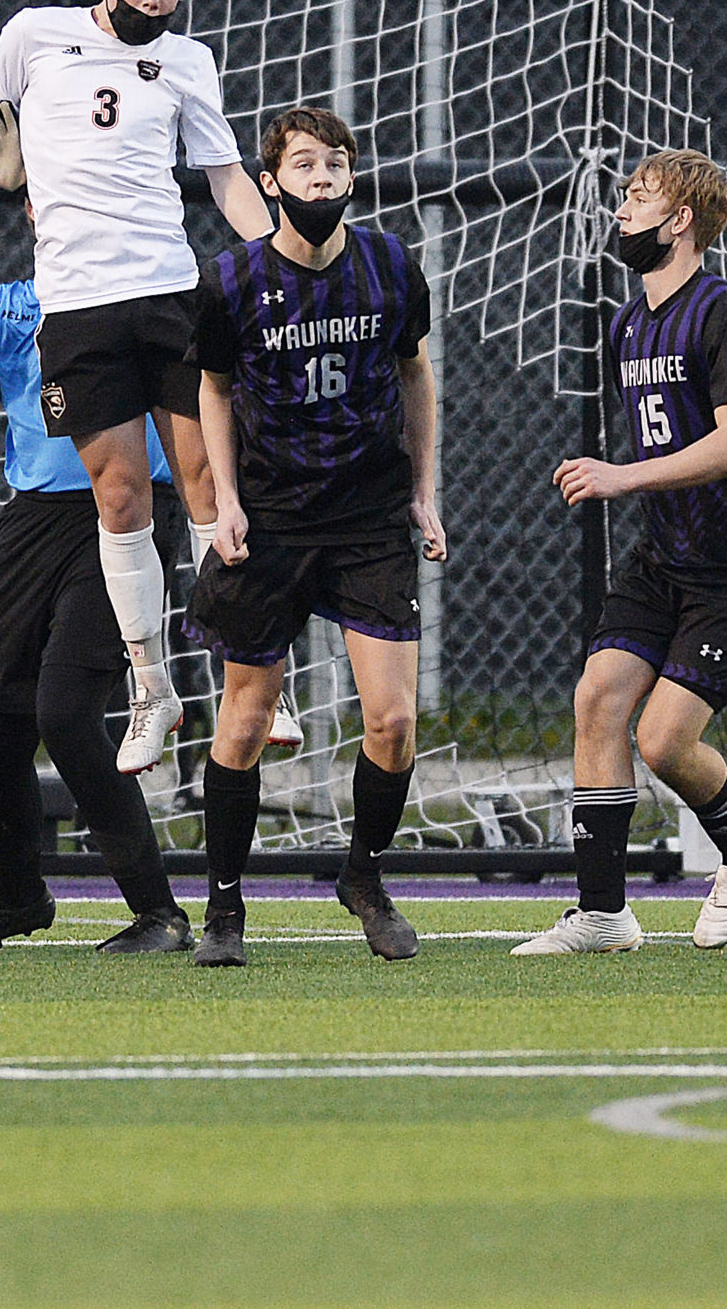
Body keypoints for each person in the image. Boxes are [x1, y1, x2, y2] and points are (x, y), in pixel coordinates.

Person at [0, 0, 275, 777]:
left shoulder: (187, 60)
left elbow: (223, 172)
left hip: (167, 292)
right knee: (121, 500)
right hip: (76, 305)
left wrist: (278, 259)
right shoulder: (35, 34)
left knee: (204, 482)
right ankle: (153, 691)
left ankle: (248, 673)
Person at [0, 179, 194, 954]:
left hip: (127, 513)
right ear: (34, 211)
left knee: (64, 711)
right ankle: (18, 900)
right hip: (34, 520)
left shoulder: (152, 303)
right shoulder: (14, 308)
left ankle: (161, 913)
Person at [181, 105, 448, 967]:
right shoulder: (231, 281)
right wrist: (225, 498)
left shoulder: (389, 265)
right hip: (274, 516)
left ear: (352, 178)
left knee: (395, 720)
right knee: (246, 718)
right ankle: (224, 904)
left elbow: (415, 372)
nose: (321, 180)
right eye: (303, 166)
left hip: (367, 517)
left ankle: (363, 876)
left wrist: (422, 491)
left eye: (335, 165)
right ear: (272, 182)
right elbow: (214, 389)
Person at [513, 149, 727, 956]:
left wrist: (623, 477)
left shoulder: (726, 313)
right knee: (599, 697)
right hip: (666, 558)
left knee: (663, 742)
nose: (621, 210)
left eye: (637, 197)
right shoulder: (627, 322)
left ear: (681, 219)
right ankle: (602, 915)